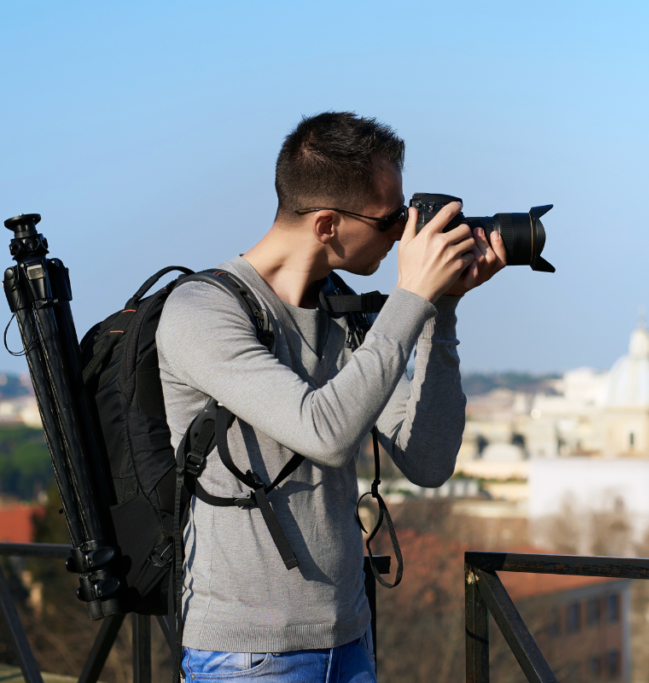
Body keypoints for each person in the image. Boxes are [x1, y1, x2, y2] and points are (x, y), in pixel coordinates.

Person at [156, 111, 506, 681]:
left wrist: (440, 312)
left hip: (349, 640)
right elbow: (324, 432)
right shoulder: (203, 311)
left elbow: (429, 461)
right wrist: (411, 296)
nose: (403, 234)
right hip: (249, 656)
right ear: (326, 225)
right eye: (391, 219)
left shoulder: (343, 314)